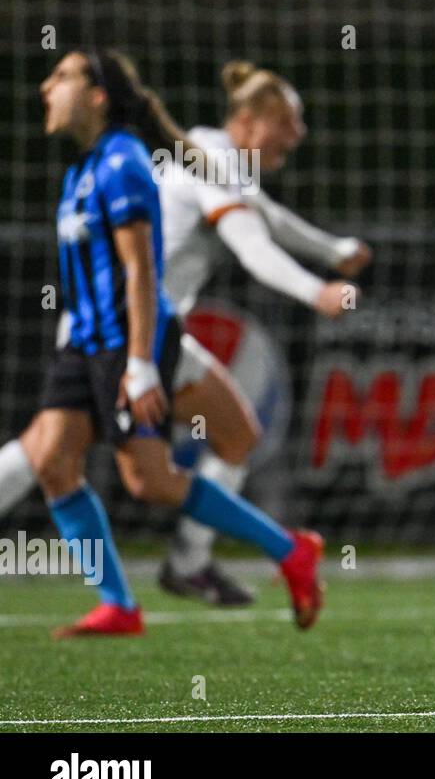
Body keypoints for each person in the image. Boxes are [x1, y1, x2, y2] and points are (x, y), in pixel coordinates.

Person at [0, 59, 369, 606]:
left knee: (67, 452)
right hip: (131, 331)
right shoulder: (202, 160)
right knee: (88, 463)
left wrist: (331, 250)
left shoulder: (207, 156)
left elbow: (264, 215)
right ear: (249, 119)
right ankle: (231, 558)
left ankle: (178, 572)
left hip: (130, 326)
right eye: (288, 121)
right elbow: (252, 244)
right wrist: (315, 291)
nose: (298, 134)